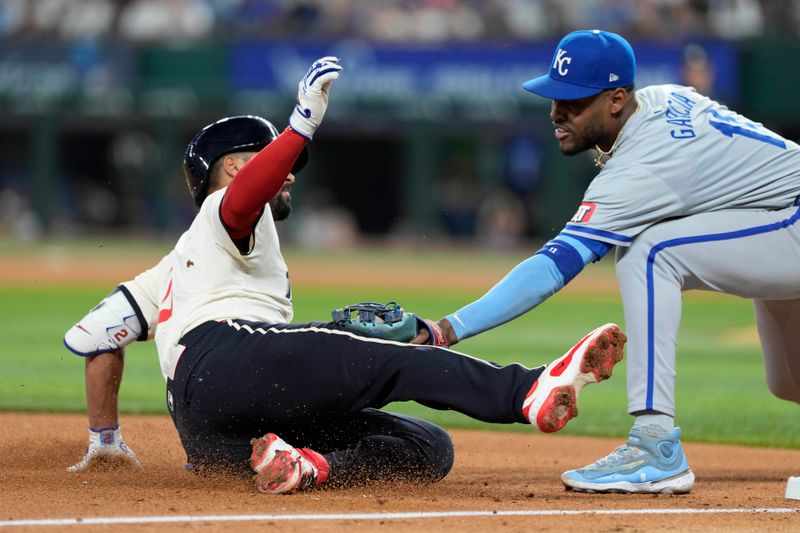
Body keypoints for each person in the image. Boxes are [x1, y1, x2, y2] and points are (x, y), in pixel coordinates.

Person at [64, 56, 627, 494]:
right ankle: (528, 390)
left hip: (211, 436)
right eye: (278, 166)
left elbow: (95, 336)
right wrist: (300, 125)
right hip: (224, 352)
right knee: (390, 360)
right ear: (236, 167)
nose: (290, 179)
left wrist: (105, 437)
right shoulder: (225, 210)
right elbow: (239, 202)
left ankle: (309, 468)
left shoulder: (167, 270)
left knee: (425, 447)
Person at [412, 29, 800, 495]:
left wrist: (446, 329)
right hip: (774, 218)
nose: (557, 112)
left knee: (650, 250)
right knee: (789, 382)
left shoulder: (641, 165)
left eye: (574, 101)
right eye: (554, 97)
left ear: (616, 100)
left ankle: (655, 446)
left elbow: (552, 267)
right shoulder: (661, 97)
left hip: (789, 219)